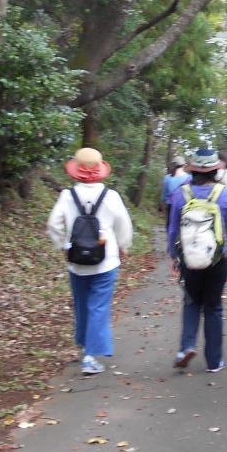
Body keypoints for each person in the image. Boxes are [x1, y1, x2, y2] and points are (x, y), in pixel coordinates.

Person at [47, 147, 133, 376]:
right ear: (100, 170)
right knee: (98, 306)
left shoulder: (67, 196)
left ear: (76, 171)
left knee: (82, 304)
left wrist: (62, 245)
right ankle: (90, 357)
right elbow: (124, 225)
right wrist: (123, 246)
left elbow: (54, 224)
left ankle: (84, 346)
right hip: (106, 260)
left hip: (76, 260)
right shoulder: (111, 196)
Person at [168, 147, 227, 373]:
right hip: (217, 259)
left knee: (191, 302)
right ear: (215, 170)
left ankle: (186, 347)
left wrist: (173, 255)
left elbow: (173, 229)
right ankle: (214, 361)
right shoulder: (225, 194)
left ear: (192, 169)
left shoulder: (180, 194)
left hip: (189, 258)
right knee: (213, 306)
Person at [161, 156, 190, 226]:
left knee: (170, 226)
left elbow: (163, 196)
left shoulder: (167, 178)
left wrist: (163, 208)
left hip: (170, 206)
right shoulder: (189, 177)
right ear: (184, 165)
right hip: (184, 206)